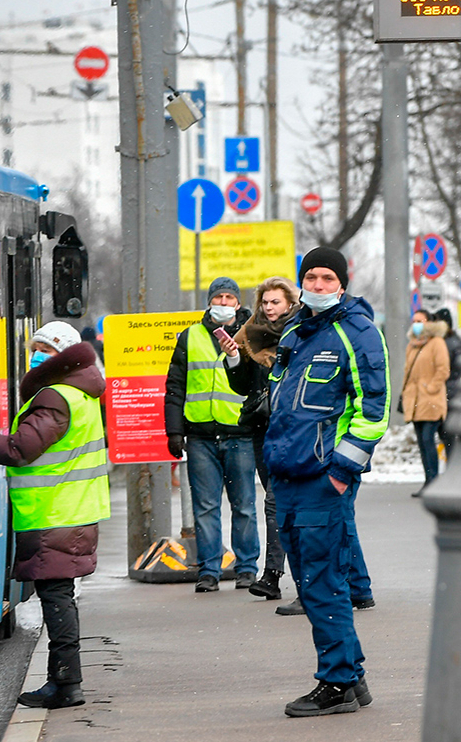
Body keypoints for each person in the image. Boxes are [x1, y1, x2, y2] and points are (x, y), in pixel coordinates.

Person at [0, 321, 110, 709]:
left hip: (54, 514)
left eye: (45, 350)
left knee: (56, 600)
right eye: (34, 348)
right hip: (71, 511)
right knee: (60, 598)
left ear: (63, 357)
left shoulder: (56, 396)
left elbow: (19, 450)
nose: (36, 356)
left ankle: (67, 684)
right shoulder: (80, 393)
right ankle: (62, 681)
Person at [264, 247, 389, 717]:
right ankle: (351, 677)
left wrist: (341, 472)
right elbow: (281, 400)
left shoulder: (358, 332)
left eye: (326, 278)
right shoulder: (296, 331)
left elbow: (374, 411)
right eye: (310, 277)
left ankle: (336, 683)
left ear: (342, 282)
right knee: (313, 578)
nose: (317, 285)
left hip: (322, 480)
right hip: (289, 477)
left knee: (322, 582)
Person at [164, 277, 260, 593]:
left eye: (229, 297)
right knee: (205, 507)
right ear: (209, 301)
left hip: (239, 433)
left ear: (237, 302)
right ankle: (209, 571)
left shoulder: (250, 336)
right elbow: (175, 387)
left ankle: (246, 568)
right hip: (201, 435)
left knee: (243, 505)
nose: (223, 303)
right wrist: (175, 431)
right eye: (218, 297)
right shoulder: (190, 337)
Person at [220, 276, 300, 602]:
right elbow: (242, 387)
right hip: (260, 427)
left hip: (293, 428)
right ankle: (350, 578)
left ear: (289, 304)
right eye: (265, 302)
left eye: (275, 302)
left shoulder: (300, 332)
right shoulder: (250, 333)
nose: (269, 308)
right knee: (280, 503)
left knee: (275, 504)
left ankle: (272, 574)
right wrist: (234, 358)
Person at [402, 309, 450, 496]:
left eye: (420, 321)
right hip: (414, 401)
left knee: (428, 440)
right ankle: (428, 480)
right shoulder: (412, 345)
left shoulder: (437, 343)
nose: (416, 324)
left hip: (431, 400)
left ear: (429, 323)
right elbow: (408, 372)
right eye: (414, 320)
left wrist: (430, 388)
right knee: (422, 443)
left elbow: (443, 369)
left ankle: (434, 481)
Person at [431, 307, 461, 460]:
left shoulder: (449, 342)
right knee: (445, 435)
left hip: (448, 392)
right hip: (448, 391)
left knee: (447, 435)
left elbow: (452, 369)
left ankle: (451, 465)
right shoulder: (451, 341)